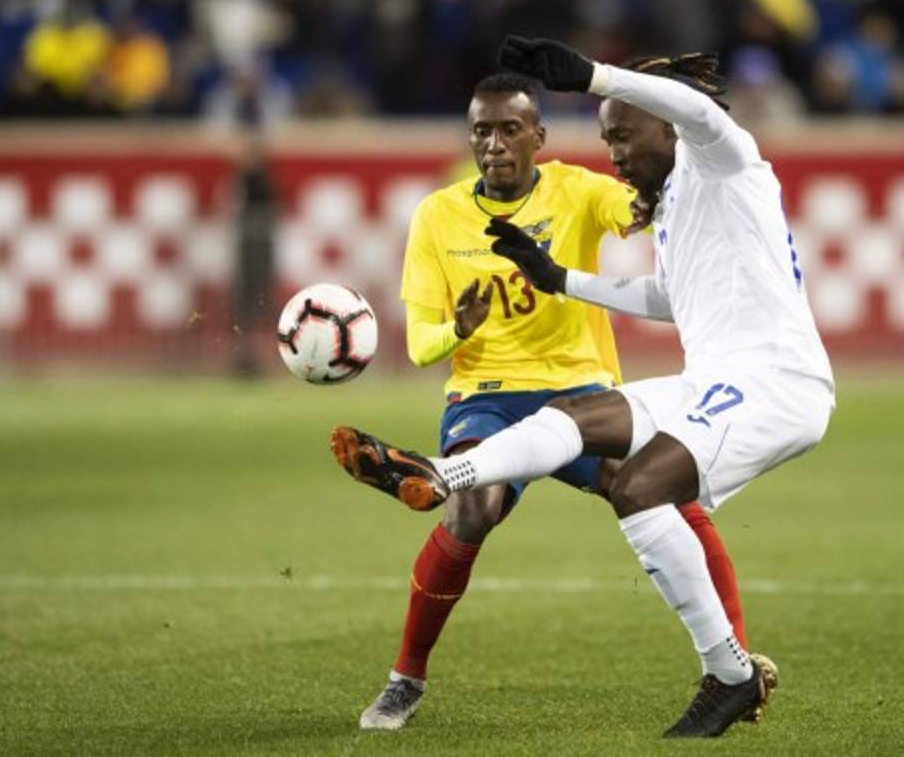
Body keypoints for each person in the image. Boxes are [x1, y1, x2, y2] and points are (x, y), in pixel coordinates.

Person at [333, 39, 833, 738]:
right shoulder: (682, 202)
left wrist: (593, 76)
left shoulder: (724, 161)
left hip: (776, 383)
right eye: (606, 139)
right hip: (639, 384)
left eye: (624, 135)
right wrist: (556, 277)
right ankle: (440, 476)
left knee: (642, 487)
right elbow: (668, 296)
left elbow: (695, 112)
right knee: (572, 436)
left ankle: (732, 672)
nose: (615, 154)